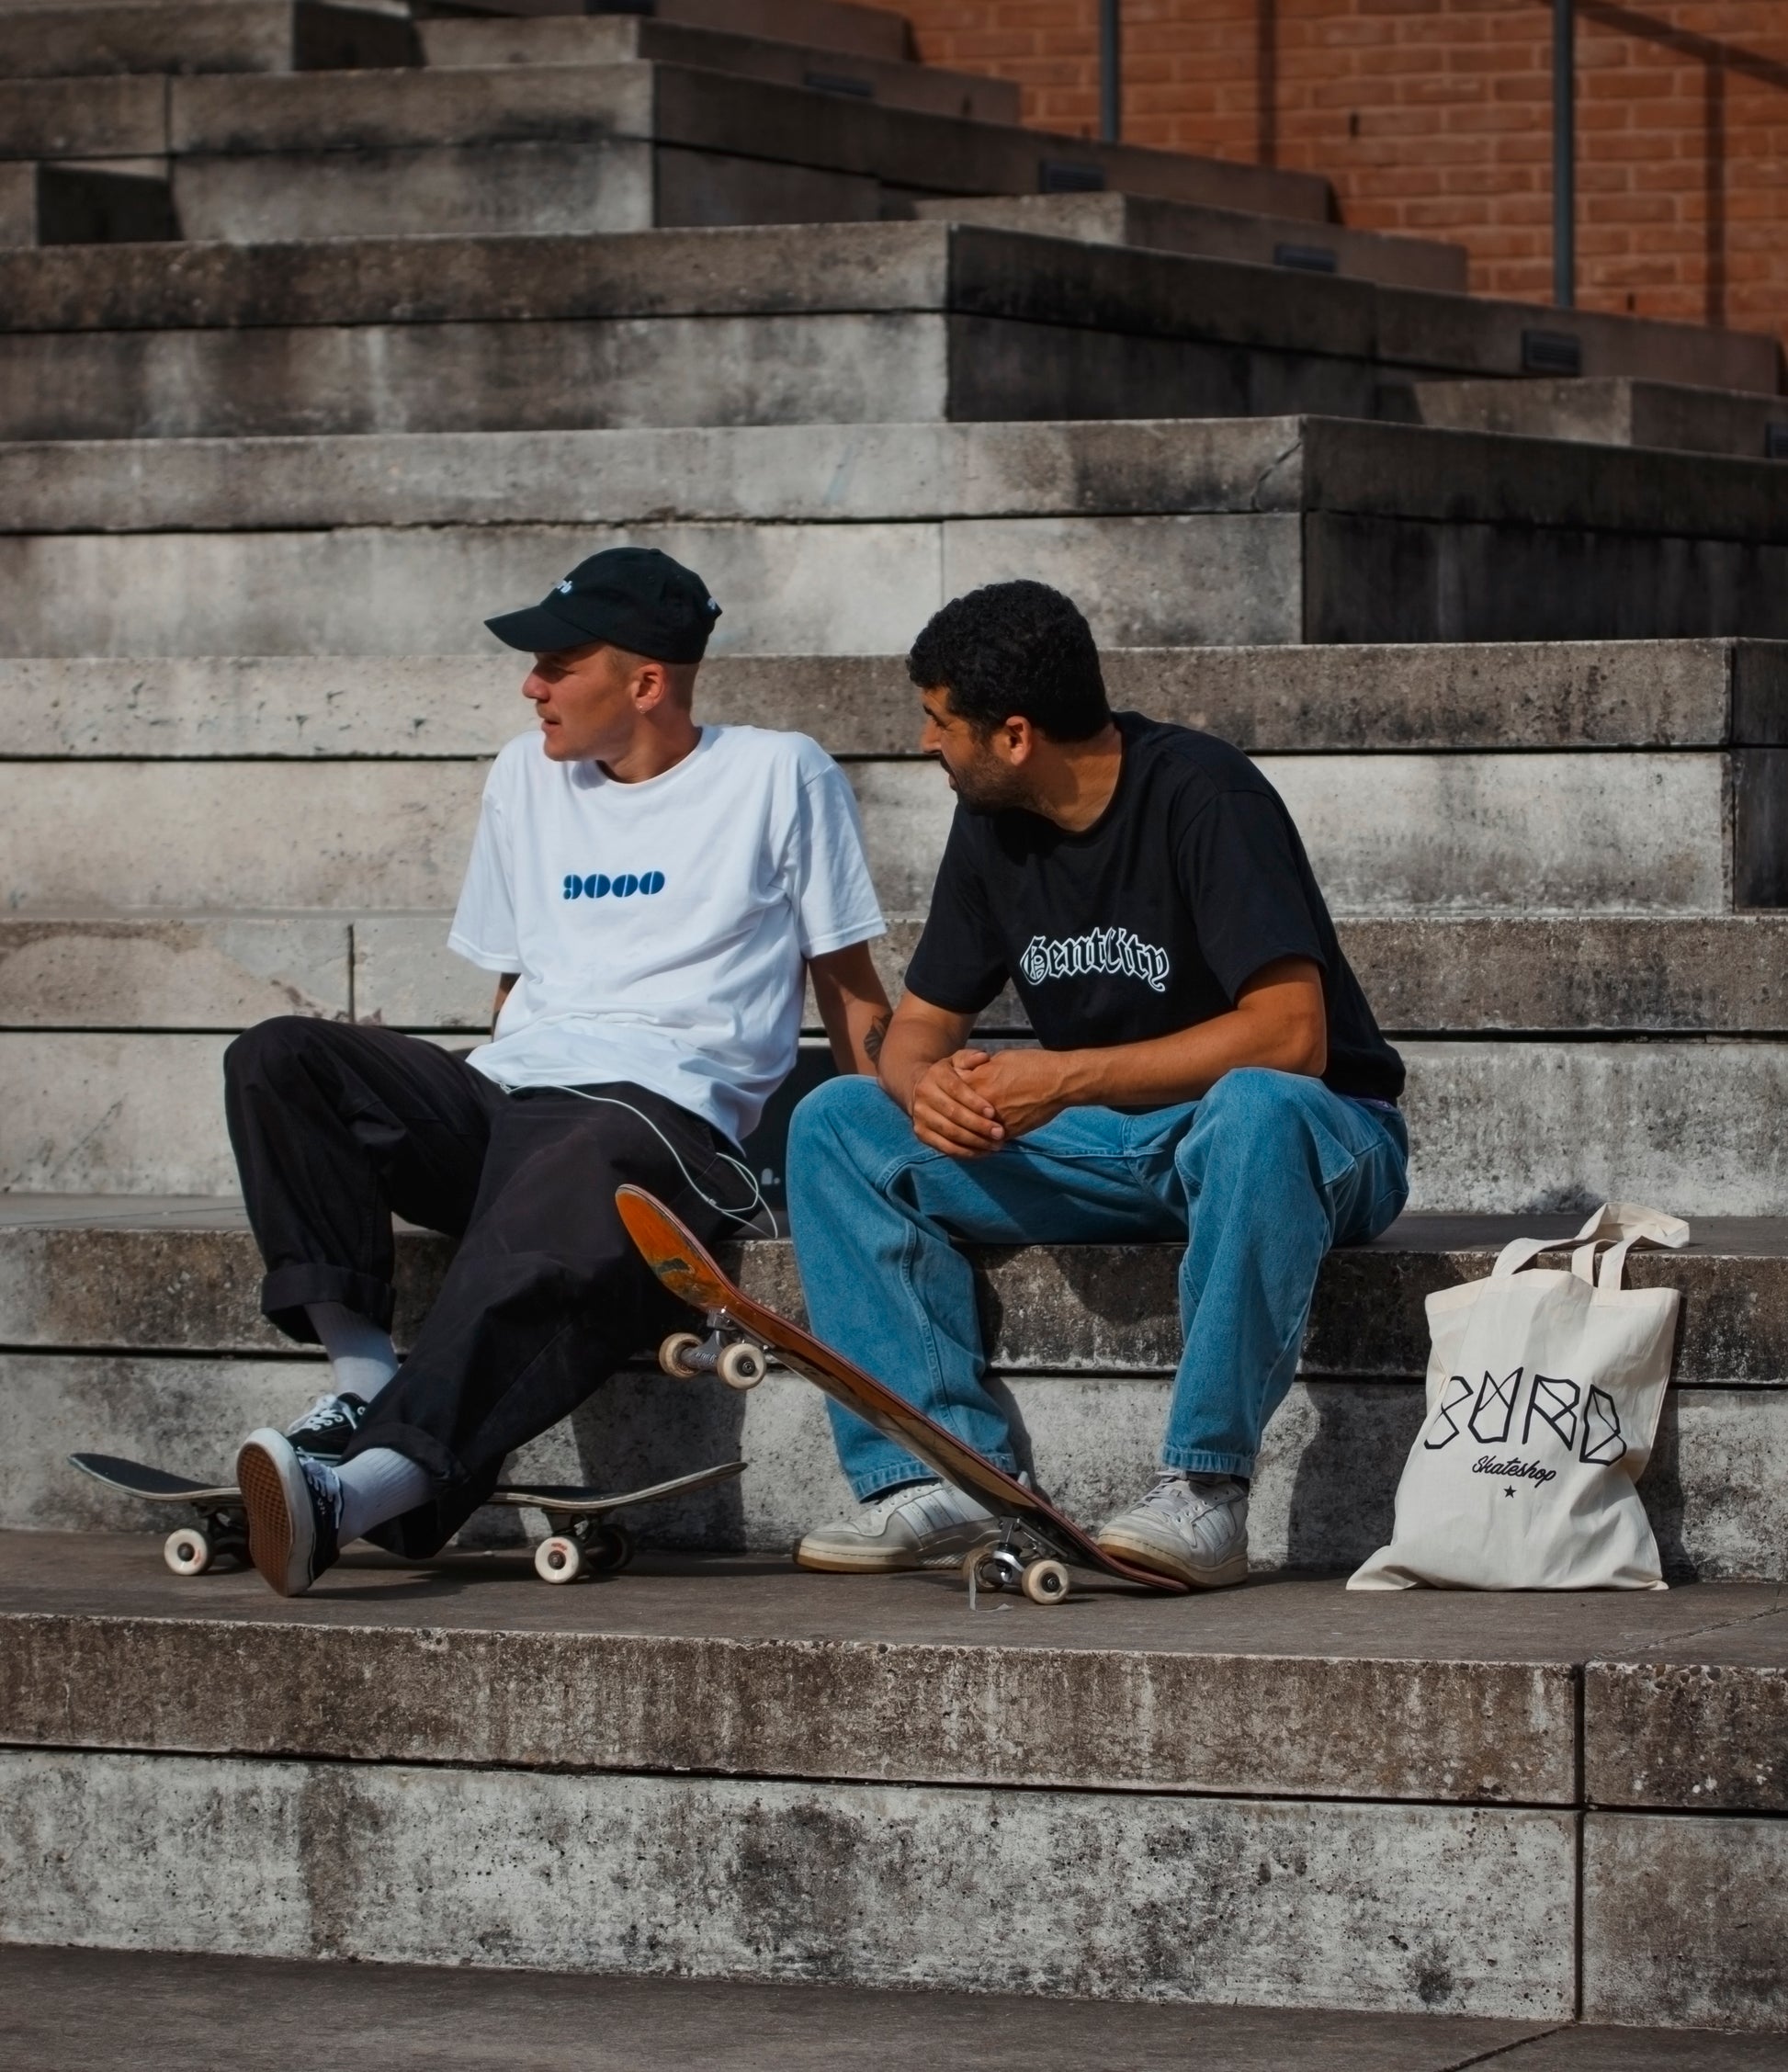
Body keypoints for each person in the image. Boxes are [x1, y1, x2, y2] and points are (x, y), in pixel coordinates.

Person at [227, 547, 889, 1596]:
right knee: (281, 1054)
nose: (529, 684)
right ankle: (360, 1381)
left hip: (665, 1115)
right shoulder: (520, 775)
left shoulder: (777, 772)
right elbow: (513, 985)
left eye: (554, 661)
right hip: (514, 1095)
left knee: (575, 1161)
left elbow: (849, 986)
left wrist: (884, 1151)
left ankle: (365, 1492)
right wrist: (482, 1113)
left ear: (645, 681)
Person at [786, 579, 1409, 1588]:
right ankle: (937, 1474)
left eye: (939, 721)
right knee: (837, 1119)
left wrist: (1063, 1075)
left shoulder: (1204, 795)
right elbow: (915, 1032)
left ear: (1015, 734)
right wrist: (920, 1087)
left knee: (1253, 1105)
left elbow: (1291, 1036)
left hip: (1311, 1136)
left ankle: (1203, 1491)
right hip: (1114, 1147)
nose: (925, 742)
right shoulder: (992, 823)